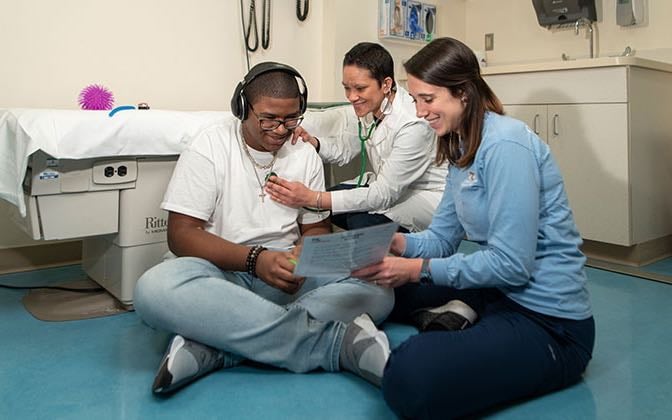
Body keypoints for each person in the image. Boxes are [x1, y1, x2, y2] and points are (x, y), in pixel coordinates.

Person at [351, 38, 596, 419]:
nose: (419, 112)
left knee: (410, 375)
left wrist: (416, 270)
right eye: (415, 99)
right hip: (499, 294)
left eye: (427, 99)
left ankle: (467, 315)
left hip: (550, 325)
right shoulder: (462, 145)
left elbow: (512, 264)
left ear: (463, 93)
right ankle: (468, 309)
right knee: (378, 285)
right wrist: (395, 243)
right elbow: (444, 238)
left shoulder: (505, 147)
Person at [133, 62, 394, 395]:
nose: (281, 130)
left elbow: (316, 228)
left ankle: (219, 345)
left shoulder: (304, 154)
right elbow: (181, 234)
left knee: (379, 286)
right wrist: (256, 260)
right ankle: (333, 344)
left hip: (285, 275)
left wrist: (305, 255)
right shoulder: (208, 146)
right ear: (242, 108)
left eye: (291, 119)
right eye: (269, 118)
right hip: (220, 275)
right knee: (154, 287)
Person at [265, 42, 446, 233]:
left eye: (360, 88)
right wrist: (314, 143)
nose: (352, 97)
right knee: (328, 207)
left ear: (386, 84)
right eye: (347, 88)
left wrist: (312, 197)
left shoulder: (413, 123)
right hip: (387, 187)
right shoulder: (369, 107)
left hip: (424, 195)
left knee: (360, 222)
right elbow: (344, 151)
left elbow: (384, 195)